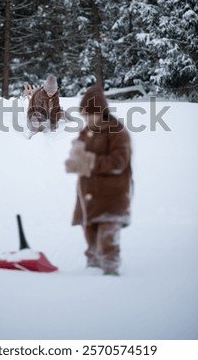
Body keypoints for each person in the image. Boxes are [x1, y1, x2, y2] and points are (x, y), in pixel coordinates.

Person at [65, 85, 132, 275]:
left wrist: (91, 162)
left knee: (107, 240)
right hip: (89, 195)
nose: (86, 119)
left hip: (111, 196)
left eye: (90, 114)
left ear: (100, 112)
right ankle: (91, 273)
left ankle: (111, 275)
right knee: (90, 238)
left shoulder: (116, 131)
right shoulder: (85, 132)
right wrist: (74, 162)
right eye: (84, 114)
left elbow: (119, 162)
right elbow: (77, 157)